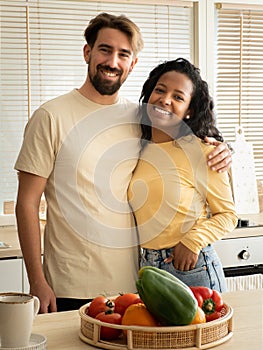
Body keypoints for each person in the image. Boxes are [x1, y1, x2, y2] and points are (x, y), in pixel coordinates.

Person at [14, 13, 232, 314]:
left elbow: (186, 141)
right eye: (105, 49)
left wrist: (224, 147)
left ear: (133, 64)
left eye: (123, 54)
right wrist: (36, 279)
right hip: (67, 284)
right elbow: (26, 202)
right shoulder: (50, 116)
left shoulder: (140, 118)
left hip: (134, 285)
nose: (112, 61)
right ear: (88, 52)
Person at [128, 58, 238, 292]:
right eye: (160, 90)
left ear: (189, 110)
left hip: (191, 267)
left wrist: (193, 241)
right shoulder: (139, 147)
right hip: (148, 269)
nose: (165, 100)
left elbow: (228, 214)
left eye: (178, 97)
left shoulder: (204, 152)